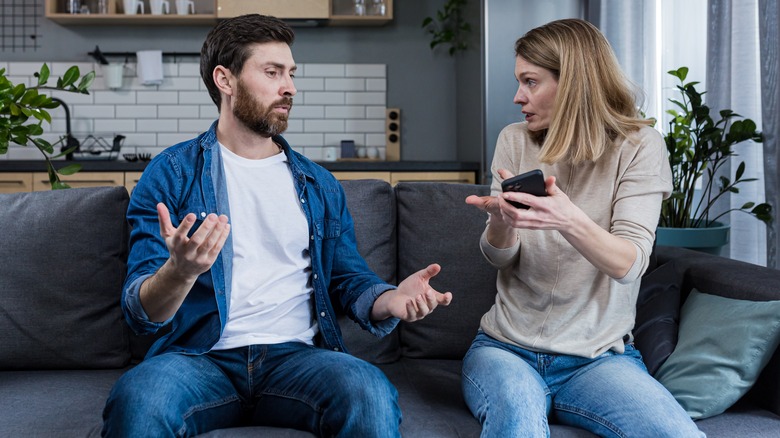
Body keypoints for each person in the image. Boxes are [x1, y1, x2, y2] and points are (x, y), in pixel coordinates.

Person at [102, 14, 452, 438]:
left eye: (291, 73)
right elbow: (140, 313)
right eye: (272, 72)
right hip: (198, 359)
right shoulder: (171, 174)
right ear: (225, 80)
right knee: (140, 399)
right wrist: (179, 273)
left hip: (299, 359)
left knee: (369, 391)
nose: (290, 87)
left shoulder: (318, 184)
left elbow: (347, 278)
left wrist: (391, 299)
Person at [462, 19, 703, 437]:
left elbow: (629, 263)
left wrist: (567, 218)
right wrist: (502, 222)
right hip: (505, 350)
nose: (518, 97)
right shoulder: (515, 140)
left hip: (599, 360)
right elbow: (500, 256)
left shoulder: (640, 147)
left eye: (530, 82)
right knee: (518, 425)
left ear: (572, 81)